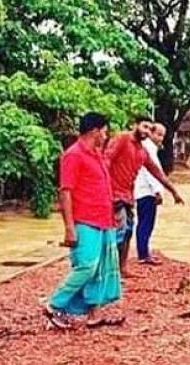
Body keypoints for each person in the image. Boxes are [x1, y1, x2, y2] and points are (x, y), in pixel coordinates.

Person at [45, 113, 121, 329]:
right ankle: (53, 305)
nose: (106, 136)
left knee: (99, 269)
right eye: (105, 131)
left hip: (102, 220)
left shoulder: (96, 154)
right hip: (84, 220)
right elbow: (65, 191)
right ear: (95, 131)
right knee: (86, 266)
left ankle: (94, 314)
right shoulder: (74, 155)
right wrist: (69, 227)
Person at [105, 116, 184, 278]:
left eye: (149, 129)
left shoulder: (142, 151)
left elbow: (157, 172)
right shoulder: (123, 138)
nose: (146, 131)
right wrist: (101, 187)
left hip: (128, 196)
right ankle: (108, 270)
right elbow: (106, 159)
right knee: (119, 231)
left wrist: (173, 191)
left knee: (128, 231)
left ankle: (122, 268)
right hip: (113, 194)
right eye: (144, 127)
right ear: (135, 125)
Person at [134, 123, 167, 265]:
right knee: (146, 223)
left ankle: (144, 251)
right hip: (146, 191)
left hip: (143, 191)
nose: (161, 138)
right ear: (152, 134)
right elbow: (151, 172)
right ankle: (143, 254)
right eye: (159, 135)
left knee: (144, 222)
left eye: (163, 136)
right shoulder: (148, 148)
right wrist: (157, 191)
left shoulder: (148, 147)